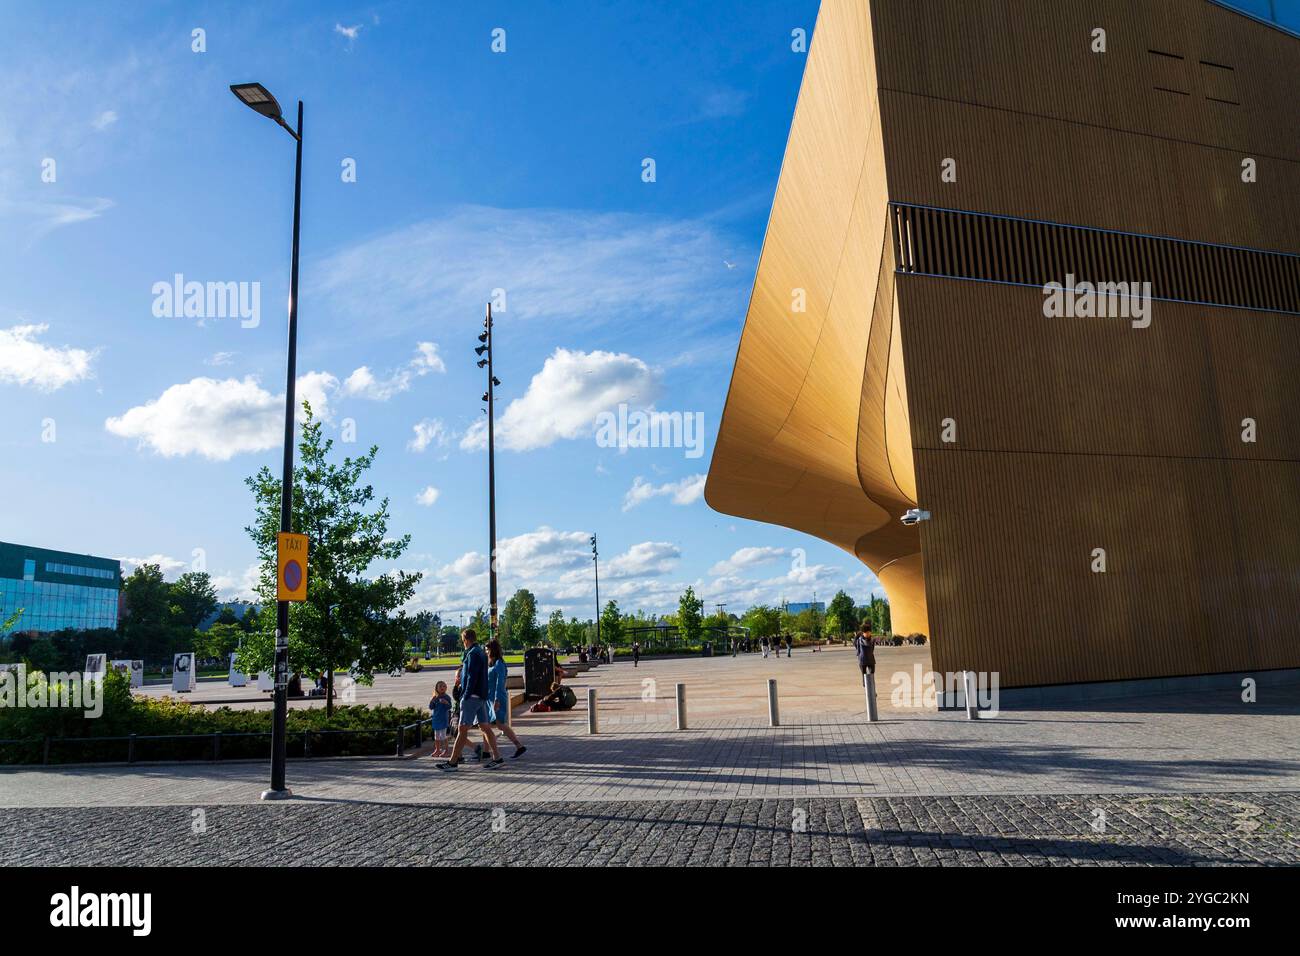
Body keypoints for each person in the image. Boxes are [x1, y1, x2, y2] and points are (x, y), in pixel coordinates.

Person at [437, 629, 503, 771]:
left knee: (462, 729)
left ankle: (453, 762)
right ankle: (497, 758)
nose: (463, 644)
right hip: (481, 696)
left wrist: (465, 695)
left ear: (466, 640)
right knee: (485, 727)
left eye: (463, 641)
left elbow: (471, 677)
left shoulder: (472, 654)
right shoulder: (481, 652)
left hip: (471, 697)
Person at [485, 639, 526, 759]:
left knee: (499, 724)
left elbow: (500, 683)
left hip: (497, 698)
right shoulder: (493, 663)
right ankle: (486, 751)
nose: (486, 652)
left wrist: (497, 699)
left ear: (493, 650)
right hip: (490, 698)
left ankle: (518, 745)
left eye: (487, 649)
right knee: (486, 724)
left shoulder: (499, 664)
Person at [428, 680, 453, 758]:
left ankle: (446, 750)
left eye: (444, 686)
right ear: (437, 688)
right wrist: (432, 700)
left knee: (443, 736)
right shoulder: (435, 697)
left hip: (443, 719)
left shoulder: (447, 697)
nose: (442, 687)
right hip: (436, 719)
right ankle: (437, 750)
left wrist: (446, 703)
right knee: (436, 736)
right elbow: (431, 707)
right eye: (440, 686)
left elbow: (449, 707)